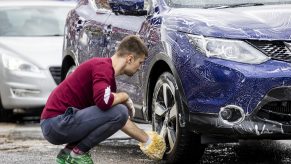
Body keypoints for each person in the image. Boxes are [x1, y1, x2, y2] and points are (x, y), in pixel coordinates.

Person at [40, 35, 165, 164]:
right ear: (130, 59)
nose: (139, 68)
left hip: (56, 124)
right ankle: (76, 154)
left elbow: (118, 119)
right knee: (120, 111)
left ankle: (68, 154)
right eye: (140, 63)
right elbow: (105, 103)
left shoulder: (106, 76)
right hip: (56, 123)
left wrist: (148, 141)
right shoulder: (102, 68)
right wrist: (124, 96)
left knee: (120, 112)